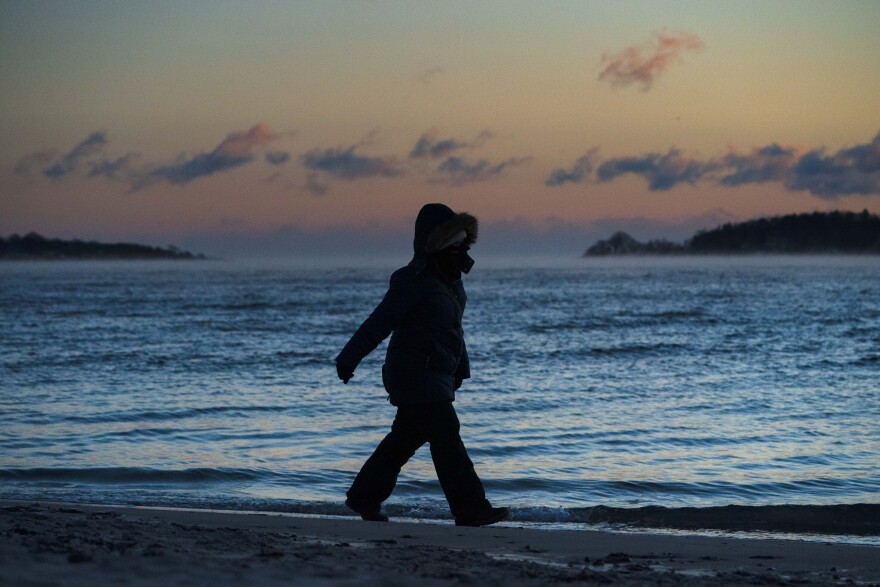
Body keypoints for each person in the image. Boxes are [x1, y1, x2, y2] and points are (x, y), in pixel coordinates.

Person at [336, 203, 509, 527]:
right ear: (437, 244)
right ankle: (470, 509)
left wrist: (460, 369)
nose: (461, 250)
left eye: (463, 243)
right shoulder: (411, 280)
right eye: (454, 243)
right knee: (446, 435)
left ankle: (364, 497)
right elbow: (380, 321)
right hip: (412, 373)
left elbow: (453, 330)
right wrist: (349, 358)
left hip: (435, 374)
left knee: (403, 439)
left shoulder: (452, 281)